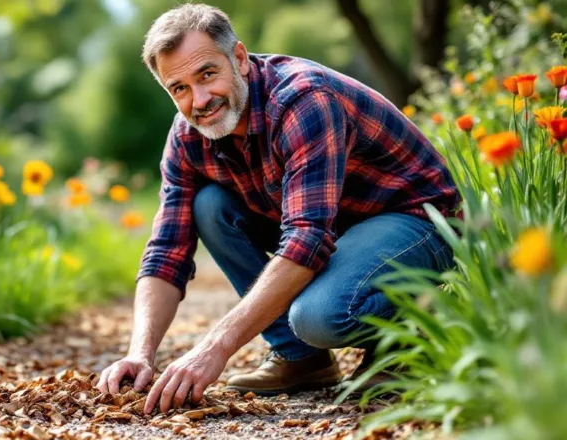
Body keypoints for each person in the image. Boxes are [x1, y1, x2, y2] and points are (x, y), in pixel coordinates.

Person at [95, 3, 460, 415]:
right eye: (178, 88)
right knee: (210, 205)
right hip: (340, 230)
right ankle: (301, 359)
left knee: (320, 316)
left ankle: (409, 335)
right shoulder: (187, 137)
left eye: (207, 75)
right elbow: (166, 251)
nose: (198, 100)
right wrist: (139, 354)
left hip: (415, 221)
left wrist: (215, 349)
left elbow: (306, 240)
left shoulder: (302, 100)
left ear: (239, 58)